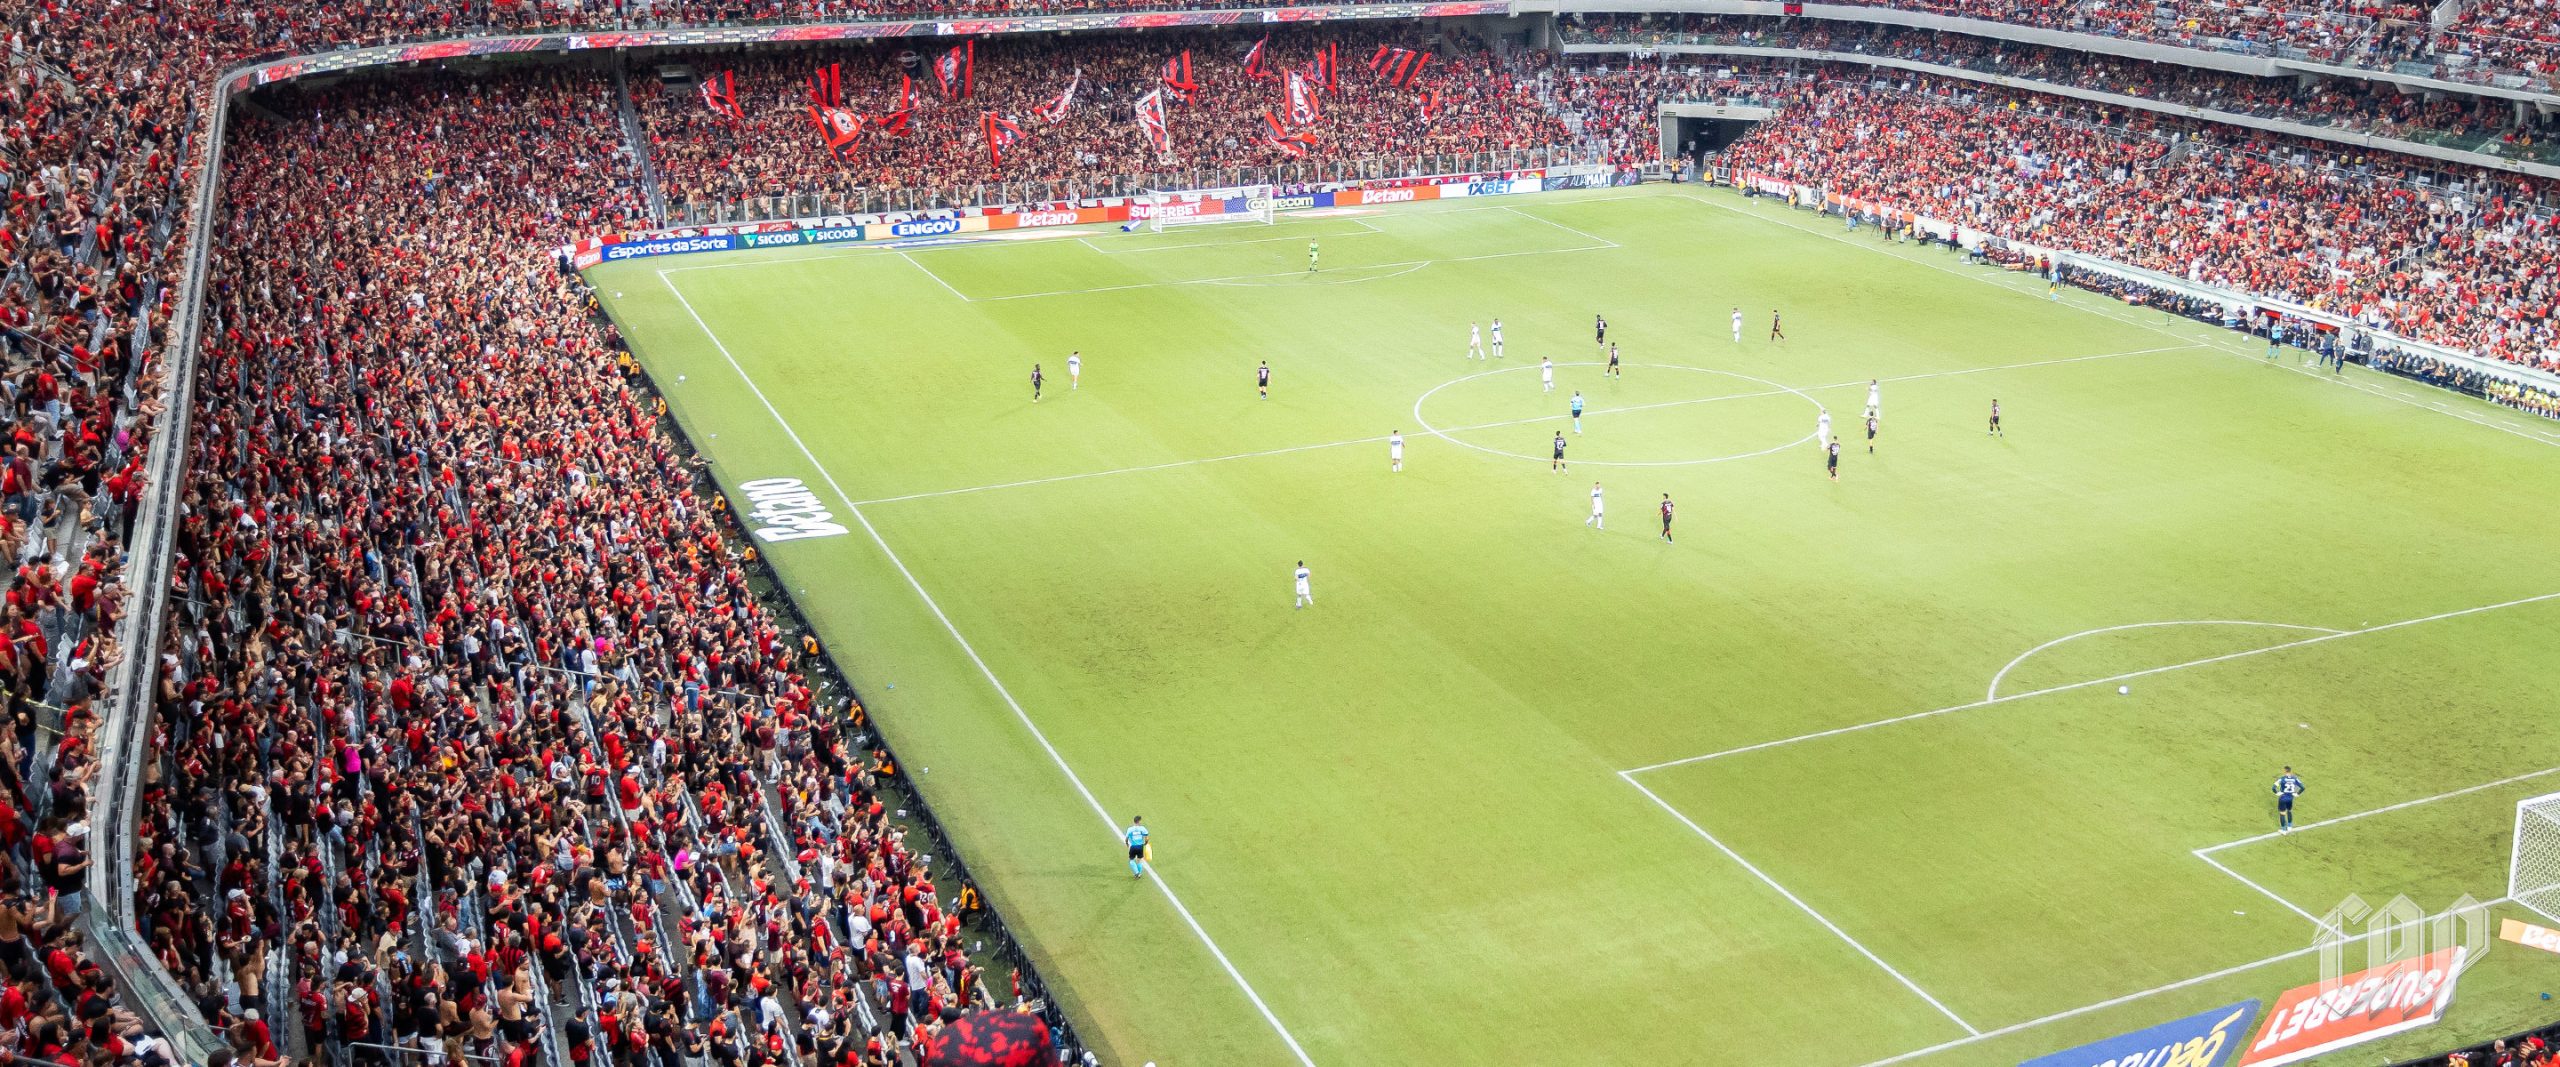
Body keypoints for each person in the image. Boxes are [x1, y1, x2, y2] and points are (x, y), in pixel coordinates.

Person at [2273, 767, 2306, 833]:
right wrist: (2297, 794)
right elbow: (2303, 787)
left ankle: (2283, 830)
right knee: (2289, 811)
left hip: (2283, 798)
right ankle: (2290, 826)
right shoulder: (2295, 778)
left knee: (2282, 813)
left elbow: (2273, 788)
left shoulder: (2282, 779)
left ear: (2285, 771)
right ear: (2290, 771)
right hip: (2290, 798)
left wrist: (2277, 793)